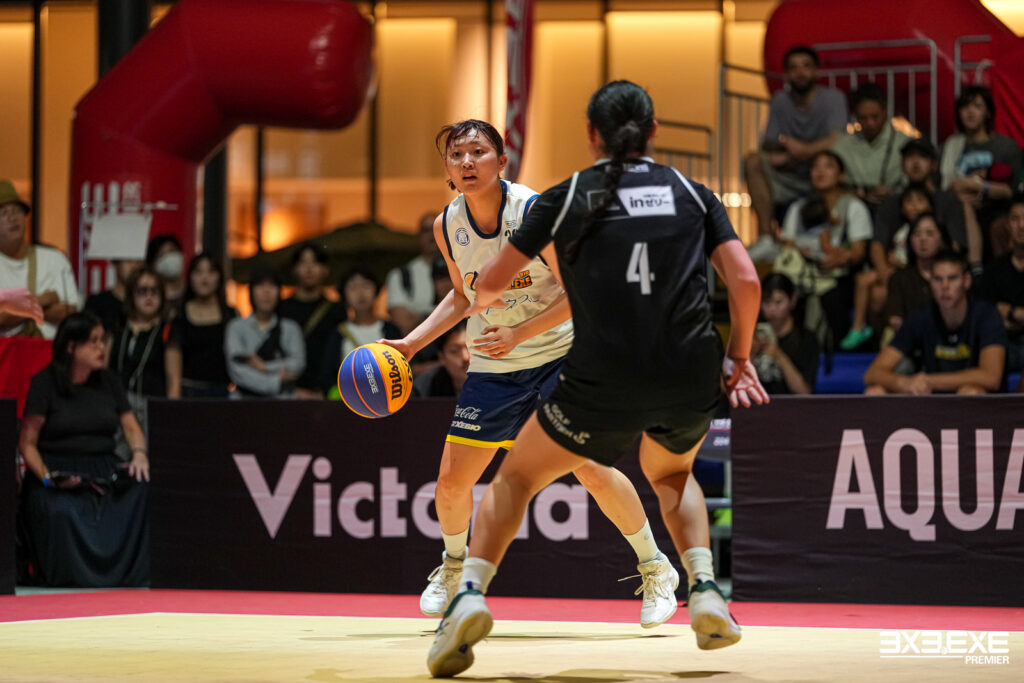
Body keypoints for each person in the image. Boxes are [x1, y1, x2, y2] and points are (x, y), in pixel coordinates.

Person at [426, 82, 768, 677]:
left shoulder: (564, 198)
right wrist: (738, 357)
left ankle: (471, 594)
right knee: (673, 473)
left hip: (603, 366)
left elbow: (489, 285)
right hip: (689, 366)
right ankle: (706, 586)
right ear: (653, 131)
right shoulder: (693, 192)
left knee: (516, 479)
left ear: (591, 135)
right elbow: (745, 281)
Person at [382, 118, 680, 630]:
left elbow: (579, 291)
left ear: (502, 162)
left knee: (589, 468)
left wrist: (520, 333)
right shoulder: (446, 225)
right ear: (448, 170)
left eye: (478, 152)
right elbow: (463, 296)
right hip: (496, 364)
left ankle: (656, 569)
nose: (467, 162)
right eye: (457, 155)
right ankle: (453, 567)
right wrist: (411, 345)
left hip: (561, 353)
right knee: (451, 484)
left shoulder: (535, 213)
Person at [18, 311, 150, 587]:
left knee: (142, 490)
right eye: (94, 341)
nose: (102, 348)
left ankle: (128, 577)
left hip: (103, 466)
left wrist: (139, 454)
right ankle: (71, 579)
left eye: (103, 340)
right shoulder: (45, 383)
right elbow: (27, 443)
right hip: (57, 468)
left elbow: (131, 427)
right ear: (71, 347)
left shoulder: (109, 381)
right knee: (62, 509)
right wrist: (47, 479)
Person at [745, 46, 848, 262]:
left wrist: (805, 151)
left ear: (817, 71)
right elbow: (769, 143)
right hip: (788, 174)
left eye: (806, 66)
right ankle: (766, 238)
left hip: (821, 173)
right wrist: (789, 151)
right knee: (752, 161)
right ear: (786, 74)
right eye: (794, 68)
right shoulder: (780, 100)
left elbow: (838, 139)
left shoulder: (833, 98)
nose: (800, 72)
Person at [863, 250, 1006, 394]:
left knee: (970, 391)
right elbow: (872, 373)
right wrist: (904, 383)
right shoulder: (921, 316)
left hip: (970, 397)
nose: (945, 287)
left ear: (966, 281)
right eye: (938, 279)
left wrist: (929, 380)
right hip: (930, 398)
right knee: (875, 391)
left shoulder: (986, 315)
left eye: (952, 278)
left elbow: (991, 377)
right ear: (930, 282)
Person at [778, 150, 872, 343]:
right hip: (802, 273)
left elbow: (858, 252)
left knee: (832, 297)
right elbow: (788, 244)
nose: (820, 171)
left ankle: (839, 350)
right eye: (815, 167)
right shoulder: (798, 207)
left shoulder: (853, 207)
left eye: (828, 166)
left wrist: (840, 258)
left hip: (839, 276)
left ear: (841, 175)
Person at [841, 183, 934, 350]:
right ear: (902, 208)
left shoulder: (933, 228)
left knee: (879, 295)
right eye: (909, 201)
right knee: (862, 279)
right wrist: (889, 260)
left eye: (920, 200)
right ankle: (858, 327)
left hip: (913, 273)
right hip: (895, 271)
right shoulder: (901, 230)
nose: (914, 206)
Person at [940, 86, 1021, 263]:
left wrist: (973, 185)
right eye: (965, 106)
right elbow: (943, 187)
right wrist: (959, 195)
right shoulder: (951, 146)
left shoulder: (1005, 146)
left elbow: (1013, 191)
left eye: (977, 106)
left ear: (988, 112)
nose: (970, 112)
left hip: (996, 212)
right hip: (958, 213)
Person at [0, 180, 80, 338]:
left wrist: (13, 311)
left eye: (17, 211)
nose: (12, 218)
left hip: (50, 351)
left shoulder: (54, 259)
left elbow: (70, 312)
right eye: (3, 213)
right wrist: (44, 300)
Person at [278, 242, 346, 399]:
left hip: (327, 391)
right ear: (294, 269)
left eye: (315, 262)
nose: (309, 269)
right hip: (289, 391)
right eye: (303, 262)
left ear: (325, 269)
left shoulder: (336, 310)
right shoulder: (282, 308)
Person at [225, 265, 305, 398]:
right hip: (244, 402)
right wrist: (277, 381)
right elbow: (238, 371)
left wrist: (265, 367)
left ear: (279, 292)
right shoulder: (236, 327)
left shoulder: (290, 328)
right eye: (260, 285)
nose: (266, 292)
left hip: (283, 403)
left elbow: (298, 364)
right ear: (251, 291)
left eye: (272, 286)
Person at [166, 253, 238, 398]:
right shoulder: (179, 316)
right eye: (198, 272)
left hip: (224, 393)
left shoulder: (231, 315)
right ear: (190, 277)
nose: (205, 278)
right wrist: (174, 400)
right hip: (188, 392)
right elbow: (173, 365)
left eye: (211, 271)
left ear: (219, 277)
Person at [320, 266, 401, 394]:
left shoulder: (391, 331)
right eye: (353, 288)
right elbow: (327, 377)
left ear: (377, 291)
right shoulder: (338, 334)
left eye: (366, 286)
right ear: (344, 295)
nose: (360, 293)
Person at [831, 82, 910, 209]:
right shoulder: (841, 146)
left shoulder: (904, 143)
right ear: (855, 116)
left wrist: (894, 194)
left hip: (897, 207)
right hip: (852, 207)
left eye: (875, 116)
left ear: (885, 112)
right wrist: (853, 193)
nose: (870, 123)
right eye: (863, 118)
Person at [110, 266, 170, 430]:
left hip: (152, 407)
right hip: (116, 404)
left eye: (154, 291)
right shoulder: (118, 328)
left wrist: (171, 415)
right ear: (131, 295)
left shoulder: (167, 331)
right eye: (142, 291)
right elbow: (106, 369)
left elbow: (173, 381)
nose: (149, 296)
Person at [883, 212, 953, 335]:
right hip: (911, 337)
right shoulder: (899, 278)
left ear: (942, 239)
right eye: (917, 234)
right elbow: (895, 319)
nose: (923, 239)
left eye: (929, 233)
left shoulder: (953, 276)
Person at [978, 197, 1024, 372]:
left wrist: (1010, 312)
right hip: (1003, 343)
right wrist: (1016, 314)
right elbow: (986, 312)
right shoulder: (994, 269)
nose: (1021, 225)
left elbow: (1002, 311)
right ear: (1007, 225)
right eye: (1015, 219)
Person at [753, 273, 819, 394]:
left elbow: (804, 392)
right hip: (755, 404)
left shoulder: (806, 339)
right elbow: (725, 386)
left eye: (778, 302)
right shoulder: (750, 337)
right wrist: (748, 355)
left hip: (791, 404)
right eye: (767, 302)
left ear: (793, 300)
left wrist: (778, 355)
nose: (772, 309)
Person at [386, 212, 441, 335]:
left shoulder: (463, 270)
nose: (432, 235)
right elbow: (403, 325)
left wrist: (418, 316)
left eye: (437, 228)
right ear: (418, 237)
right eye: (426, 230)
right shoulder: (400, 275)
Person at [83, 259, 143, 339]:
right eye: (129, 260)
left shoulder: (147, 305)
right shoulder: (96, 303)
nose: (134, 266)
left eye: (139, 261)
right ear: (116, 263)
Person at [411, 320, 469, 398]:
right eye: (454, 351)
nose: (465, 357)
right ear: (442, 358)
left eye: (471, 348)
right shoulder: (426, 386)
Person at [145, 234, 186, 313]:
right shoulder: (148, 298)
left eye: (172, 252)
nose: (168, 258)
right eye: (162, 255)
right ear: (152, 264)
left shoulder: (194, 291)